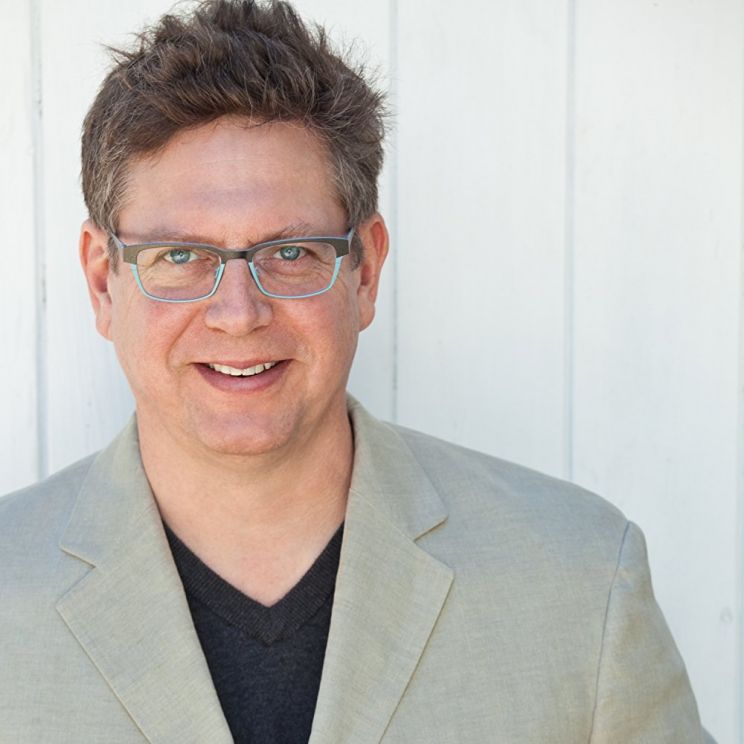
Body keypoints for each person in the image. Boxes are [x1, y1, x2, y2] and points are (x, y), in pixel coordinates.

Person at [0, 1, 713, 742]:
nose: (238, 314)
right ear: (102, 281)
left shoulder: (581, 579)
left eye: (291, 252)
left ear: (365, 271)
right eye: (180, 256)